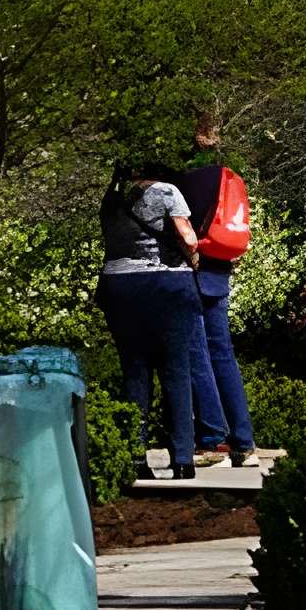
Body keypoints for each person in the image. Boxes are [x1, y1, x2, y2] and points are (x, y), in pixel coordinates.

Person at [97, 159, 204, 479]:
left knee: (135, 372)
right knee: (176, 370)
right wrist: (196, 259)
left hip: (119, 287)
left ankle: (135, 458)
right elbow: (187, 237)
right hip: (166, 287)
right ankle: (183, 459)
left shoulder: (112, 198)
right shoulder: (167, 191)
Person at [174, 116, 254, 467]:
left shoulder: (183, 180)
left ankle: (210, 440)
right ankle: (243, 441)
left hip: (194, 267)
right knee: (223, 353)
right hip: (221, 267)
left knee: (196, 352)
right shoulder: (227, 175)